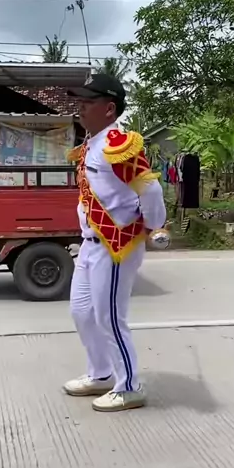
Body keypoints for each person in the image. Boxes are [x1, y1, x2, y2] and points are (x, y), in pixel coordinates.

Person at [63, 72, 166, 413]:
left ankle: (129, 386)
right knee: (82, 312)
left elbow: (150, 189)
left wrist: (152, 225)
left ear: (109, 108)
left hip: (115, 245)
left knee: (109, 318)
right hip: (89, 243)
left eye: (87, 102)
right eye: (79, 101)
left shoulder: (118, 144)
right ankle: (101, 373)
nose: (80, 108)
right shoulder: (92, 143)